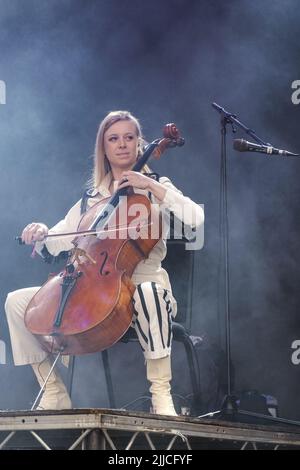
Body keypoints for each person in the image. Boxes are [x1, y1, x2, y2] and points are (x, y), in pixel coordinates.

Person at [5, 110, 204, 416]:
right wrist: (41, 233)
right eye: (114, 139)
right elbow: (59, 237)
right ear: (104, 148)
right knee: (17, 303)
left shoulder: (156, 186)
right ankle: (54, 391)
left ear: (139, 144)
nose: (122, 144)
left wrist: (150, 186)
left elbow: (195, 218)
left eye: (129, 137)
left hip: (146, 292)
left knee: (148, 291)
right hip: (94, 293)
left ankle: (161, 396)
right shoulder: (90, 200)